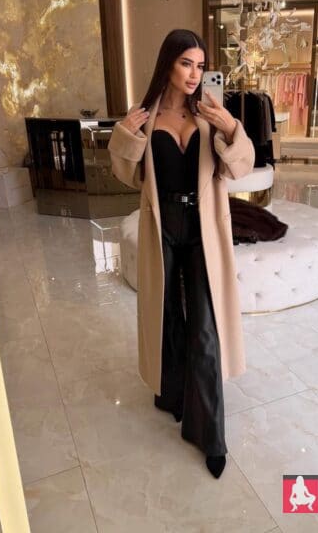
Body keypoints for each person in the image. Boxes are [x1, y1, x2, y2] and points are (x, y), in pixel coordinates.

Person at [108, 29, 255, 478]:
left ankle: (210, 434)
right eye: (186, 63)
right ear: (168, 64)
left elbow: (239, 166)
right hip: (162, 227)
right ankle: (171, 394)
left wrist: (231, 127)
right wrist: (125, 135)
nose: (194, 74)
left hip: (202, 230)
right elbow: (128, 176)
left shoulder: (210, 113)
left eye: (200, 65)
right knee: (167, 316)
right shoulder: (146, 115)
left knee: (205, 331)